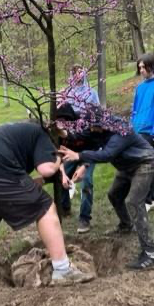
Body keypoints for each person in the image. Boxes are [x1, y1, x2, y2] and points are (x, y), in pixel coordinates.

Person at [0, 121, 95, 286]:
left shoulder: (19, 131)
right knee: (45, 206)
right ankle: (63, 270)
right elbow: (47, 169)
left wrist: (41, 181)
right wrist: (58, 158)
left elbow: (24, 178)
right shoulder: (42, 134)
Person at [57, 106, 154, 270]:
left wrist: (80, 156)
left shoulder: (121, 130)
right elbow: (82, 137)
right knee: (114, 195)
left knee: (133, 202)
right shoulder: (97, 128)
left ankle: (150, 254)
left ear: (102, 122)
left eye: (93, 126)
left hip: (144, 163)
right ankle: (126, 225)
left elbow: (107, 154)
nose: (90, 129)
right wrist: (62, 133)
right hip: (126, 165)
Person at [60, 65, 100, 233]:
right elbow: (58, 153)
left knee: (87, 181)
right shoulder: (66, 94)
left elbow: (96, 145)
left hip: (88, 147)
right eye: (74, 71)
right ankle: (64, 207)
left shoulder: (92, 94)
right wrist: (62, 173)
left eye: (80, 71)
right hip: (71, 148)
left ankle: (85, 218)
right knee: (60, 178)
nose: (77, 74)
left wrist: (84, 165)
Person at [131, 53, 154, 211]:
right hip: (137, 130)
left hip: (150, 132)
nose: (141, 70)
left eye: (143, 67)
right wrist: (130, 127)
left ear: (151, 66)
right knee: (146, 164)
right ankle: (151, 198)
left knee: (144, 165)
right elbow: (134, 109)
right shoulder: (140, 87)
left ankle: (146, 201)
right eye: (139, 67)